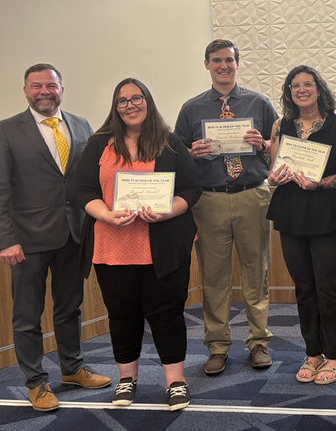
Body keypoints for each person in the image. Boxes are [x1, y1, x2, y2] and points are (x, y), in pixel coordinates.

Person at [73, 78, 201, 411]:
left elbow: (191, 189)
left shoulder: (170, 142)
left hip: (162, 244)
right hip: (112, 246)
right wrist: (106, 214)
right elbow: (82, 190)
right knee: (122, 315)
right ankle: (127, 379)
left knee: (167, 314)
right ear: (115, 108)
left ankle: (175, 381)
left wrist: (166, 212)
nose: (131, 105)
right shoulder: (99, 143)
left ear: (148, 101)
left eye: (136, 98)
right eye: (123, 101)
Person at [0, 63, 111, 412]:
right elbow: (1, 189)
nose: (44, 91)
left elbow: (91, 178)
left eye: (51, 85)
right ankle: (36, 382)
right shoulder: (6, 131)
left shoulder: (81, 125)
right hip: (27, 240)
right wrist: (6, 238)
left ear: (62, 89)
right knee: (27, 316)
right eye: (37, 86)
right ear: (25, 91)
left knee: (69, 308)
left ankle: (73, 368)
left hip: (74, 234)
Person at [174, 39, 279, 375]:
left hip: (252, 194)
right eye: (216, 60)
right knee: (214, 276)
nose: (223, 66)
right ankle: (217, 347)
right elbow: (176, 155)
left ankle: (259, 341)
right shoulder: (191, 109)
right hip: (209, 200)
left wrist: (262, 144)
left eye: (229, 60)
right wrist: (192, 153)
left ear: (237, 63)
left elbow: (280, 148)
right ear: (206, 64)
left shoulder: (259, 103)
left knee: (256, 271)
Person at [266, 65, 336, 384]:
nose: (302, 90)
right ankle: (313, 352)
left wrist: (321, 183)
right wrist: (273, 178)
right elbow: (273, 171)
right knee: (303, 287)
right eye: (295, 86)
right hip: (291, 210)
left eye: (308, 84)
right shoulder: (280, 125)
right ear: (289, 92)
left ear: (319, 89)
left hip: (328, 210)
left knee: (328, 286)